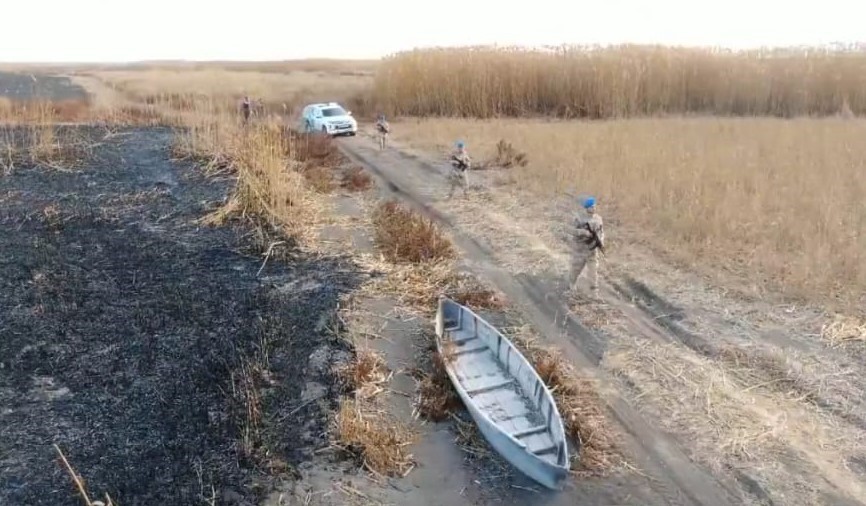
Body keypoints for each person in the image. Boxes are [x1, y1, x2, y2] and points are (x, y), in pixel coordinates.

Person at [569, 196, 605, 300]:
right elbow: (570, 230)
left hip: (592, 250)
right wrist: (582, 232)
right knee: (576, 269)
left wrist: (601, 240)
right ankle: (572, 283)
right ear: (586, 208)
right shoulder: (579, 218)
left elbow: (601, 231)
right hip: (580, 249)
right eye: (591, 207)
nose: (594, 209)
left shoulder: (598, 218)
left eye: (594, 206)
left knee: (593, 272)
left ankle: (594, 294)